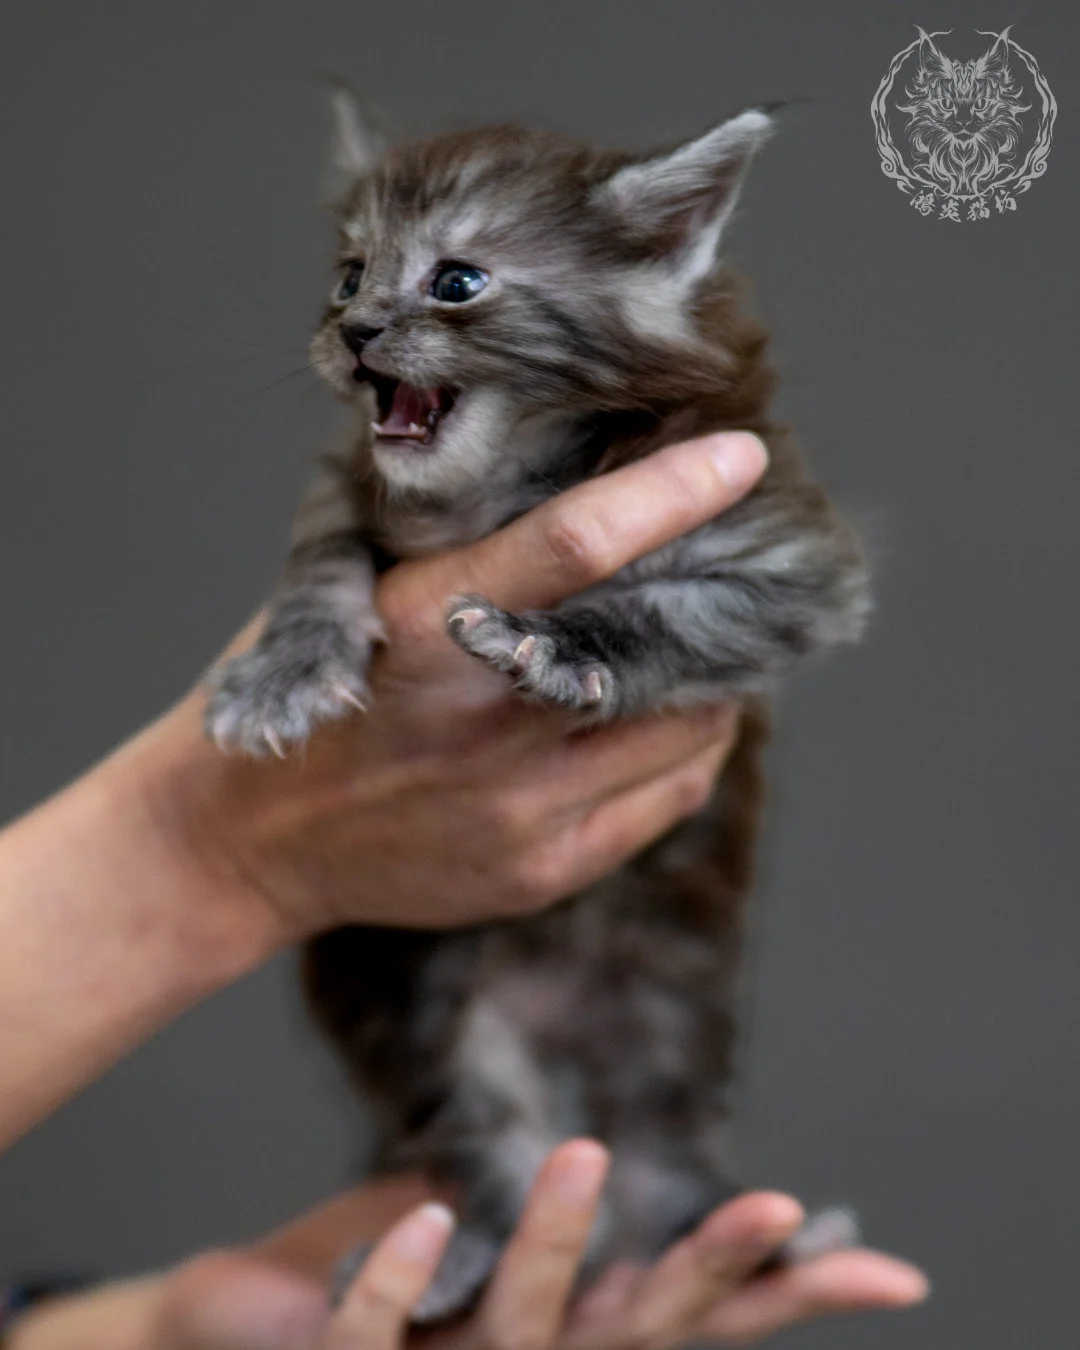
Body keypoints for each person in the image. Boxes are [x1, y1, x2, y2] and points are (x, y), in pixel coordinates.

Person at [0, 433, 927, 1347]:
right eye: (354, 275)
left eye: (456, 281)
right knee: (461, 1057)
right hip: (450, 960)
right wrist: (202, 843)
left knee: (655, 1066)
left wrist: (144, 1337)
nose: (363, 322)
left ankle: (660, 1198)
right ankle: (519, 1197)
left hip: (635, 924)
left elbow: (822, 593)